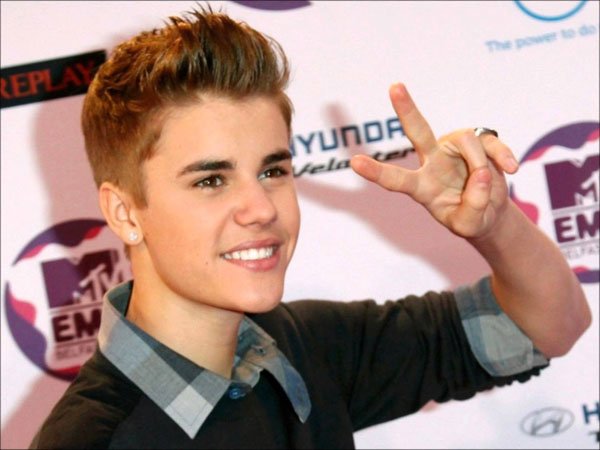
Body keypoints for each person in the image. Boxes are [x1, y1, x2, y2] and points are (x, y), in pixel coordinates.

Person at [30, 6, 591, 449]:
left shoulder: (301, 348)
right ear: (125, 213)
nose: (260, 208)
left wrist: (493, 224)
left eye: (272, 171)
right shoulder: (92, 440)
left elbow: (549, 326)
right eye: (211, 180)